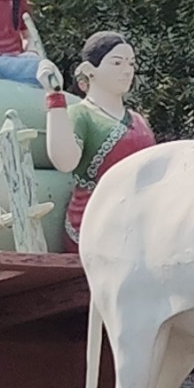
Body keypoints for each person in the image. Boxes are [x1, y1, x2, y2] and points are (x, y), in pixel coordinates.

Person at [43, 31, 156, 250]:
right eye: (117, 63)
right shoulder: (82, 114)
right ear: (89, 71)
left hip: (142, 213)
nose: (126, 71)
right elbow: (65, 162)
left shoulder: (138, 120)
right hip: (95, 220)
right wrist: (55, 97)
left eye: (131, 64)